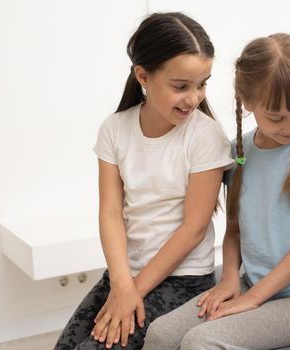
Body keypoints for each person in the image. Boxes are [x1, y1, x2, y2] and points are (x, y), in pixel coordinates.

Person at [143, 33, 290, 350]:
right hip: (250, 283)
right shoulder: (239, 152)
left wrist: (253, 299)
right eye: (276, 116)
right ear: (247, 102)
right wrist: (231, 278)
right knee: (161, 335)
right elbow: (234, 229)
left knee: (201, 343)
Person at [54, 12, 234, 350]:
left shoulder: (206, 136)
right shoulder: (114, 129)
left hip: (183, 281)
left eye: (202, 84)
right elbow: (110, 214)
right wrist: (121, 282)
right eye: (181, 86)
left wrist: (133, 291)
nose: (194, 98)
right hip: (124, 275)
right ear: (143, 76)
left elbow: (193, 228)